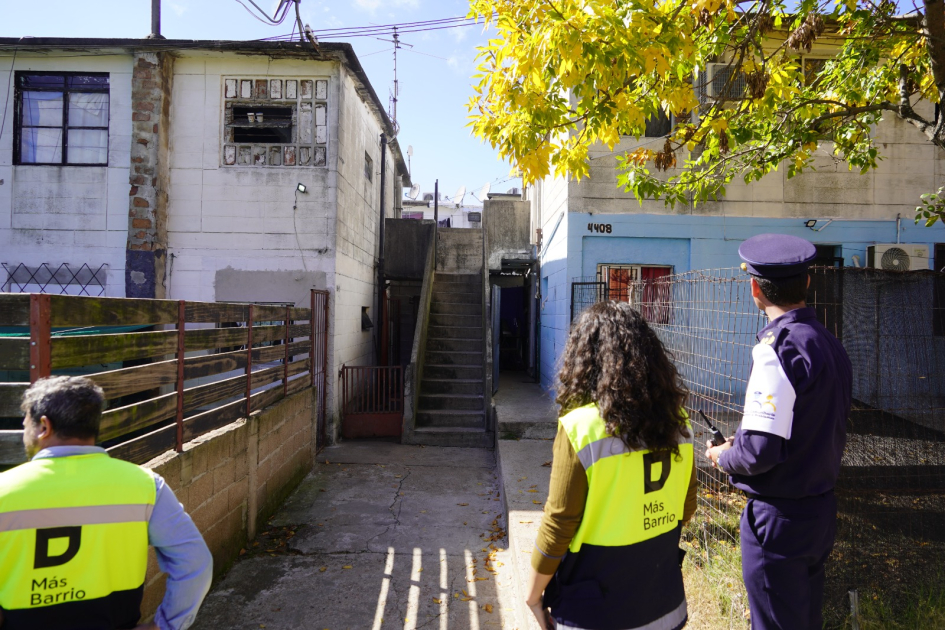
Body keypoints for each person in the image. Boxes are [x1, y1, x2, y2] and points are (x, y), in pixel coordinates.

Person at [705, 233, 852, 630]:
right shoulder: (829, 344)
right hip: (819, 510)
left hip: (778, 520)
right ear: (806, 282)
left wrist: (724, 456)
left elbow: (757, 454)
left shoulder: (776, 348)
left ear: (755, 288)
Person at [526, 301, 697, 630]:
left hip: (593, 611)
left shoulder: (581, 428)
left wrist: (534, 595)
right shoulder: (680, 423)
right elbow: (685, 508)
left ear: (584, 361)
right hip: (664, 606)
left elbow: (559, 524)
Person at [0, 376, 213, 630]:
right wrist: (164, 626)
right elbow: (195, 563)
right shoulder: (145, 485)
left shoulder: (4, 490)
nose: (24, 434)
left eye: (25, 425)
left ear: (44, 426)